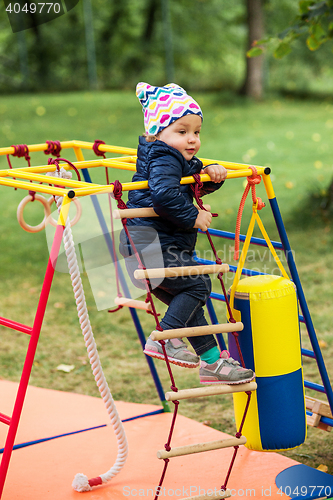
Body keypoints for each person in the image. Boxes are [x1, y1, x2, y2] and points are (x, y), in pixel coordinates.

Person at [119, 82, 255, 384]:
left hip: (144, 247)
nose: (192, 139)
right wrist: (194, 216)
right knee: (198, 285)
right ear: (157, 133)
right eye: (182, 132)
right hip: (152, 246)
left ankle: (210, 363)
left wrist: (211, 175)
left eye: (196, 132)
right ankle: (165, 339)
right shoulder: (165, 158)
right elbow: (165, 195)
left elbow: (187, 183)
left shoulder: (170, 156)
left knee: (189, 300)